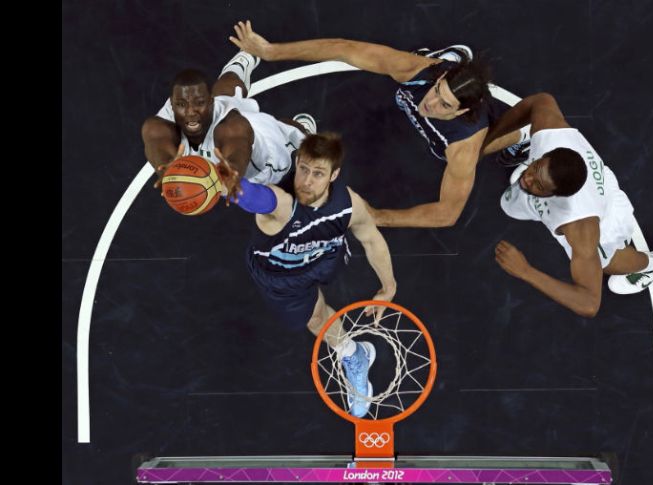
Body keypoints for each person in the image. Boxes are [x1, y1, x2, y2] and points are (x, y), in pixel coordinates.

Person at [228, 20, 530, 228]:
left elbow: (446, 214)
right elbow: (342, 48)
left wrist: (378, 216)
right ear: (439, 77)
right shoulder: (419, 71)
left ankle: (522, 135)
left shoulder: (463, 144)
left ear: (460, 110)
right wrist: (270, 51)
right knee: (424, 67)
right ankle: (452, 58)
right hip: (437, 70)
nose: (431, 104)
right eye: (438, 91)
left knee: (489, 143)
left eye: (445, 105)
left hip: (469, 137)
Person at [217, 132, 397, 417]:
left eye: (318, 173)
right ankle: (355, 353)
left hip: (324, 256)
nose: (307, 181)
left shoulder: (349, 205)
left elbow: (372, 240)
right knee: (314, 318)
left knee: (325, 282)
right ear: (297, 161)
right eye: (303, 169)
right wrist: (235, 187)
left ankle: (350, 354)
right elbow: (259, 198)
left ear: (334, 174)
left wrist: (388, 287)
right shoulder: (282, 203)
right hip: (281, 275)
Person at [485, 92, 653, 317]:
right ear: (546, 155)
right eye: (534, 168)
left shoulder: (581, 228)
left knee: (606, 263)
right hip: (572, 184)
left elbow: (589, 303)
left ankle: (652, 264)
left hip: (603, 219)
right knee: (510, 203)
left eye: (537, 185)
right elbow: (540, 100)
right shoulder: (550, 135)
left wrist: (525, 271)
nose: (527, 179)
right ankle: (534, 175)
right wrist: (482, 147)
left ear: (556, 195)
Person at [141, 50, 317, 201]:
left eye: (199, 103)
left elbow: (237, 147)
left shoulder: (233, 128)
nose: (190, 112)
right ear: (172, 104)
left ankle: (302, 131)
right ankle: (239, 65)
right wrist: (167, 170)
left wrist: (232, 171)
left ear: (210, 103)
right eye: (181, 105)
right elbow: (157, 144)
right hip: (219, 117)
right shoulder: (160, 124)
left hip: (260, 152)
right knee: (227, 89)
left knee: (285, 132)